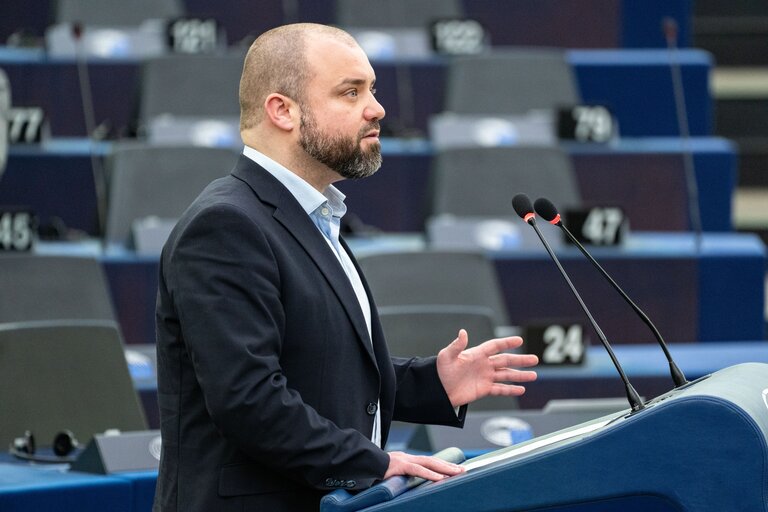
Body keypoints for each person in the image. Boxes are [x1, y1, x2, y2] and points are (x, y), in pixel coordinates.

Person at [153, 22, 539, 512]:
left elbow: (314, 366)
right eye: (350, 92)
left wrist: (430, 386)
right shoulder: (226, 225)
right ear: (283, 111)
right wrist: (373, 463)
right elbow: (248, 399)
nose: (376, 108)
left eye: (372, 89)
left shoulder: (313, 216)